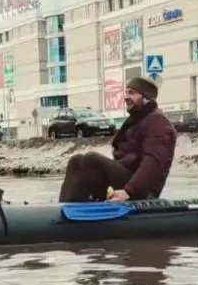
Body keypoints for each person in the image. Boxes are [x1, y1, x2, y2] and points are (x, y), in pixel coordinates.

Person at [58, 75, 176, 203]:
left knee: (91, 159)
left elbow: (153, 163)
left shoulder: (158, 122)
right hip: (124, 180)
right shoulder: (138, 119)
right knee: (77, 160)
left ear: (146, 97)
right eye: (126, 92)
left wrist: (128, 191)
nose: (126, 97)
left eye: (132, 93)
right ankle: (64, 207)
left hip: (141, 190)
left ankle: (71, 212)